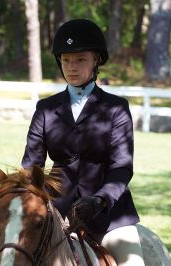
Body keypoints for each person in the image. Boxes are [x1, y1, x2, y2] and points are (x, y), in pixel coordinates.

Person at [21, 19, 145, 266]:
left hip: (109, 217)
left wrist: (100, 200)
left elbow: (122, 167)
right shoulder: (45, 109)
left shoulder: (116, 109)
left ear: (96, 60)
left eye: (80, 60)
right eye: (66, 60)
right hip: (56, 213)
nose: (72, 67)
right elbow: (31, 166)